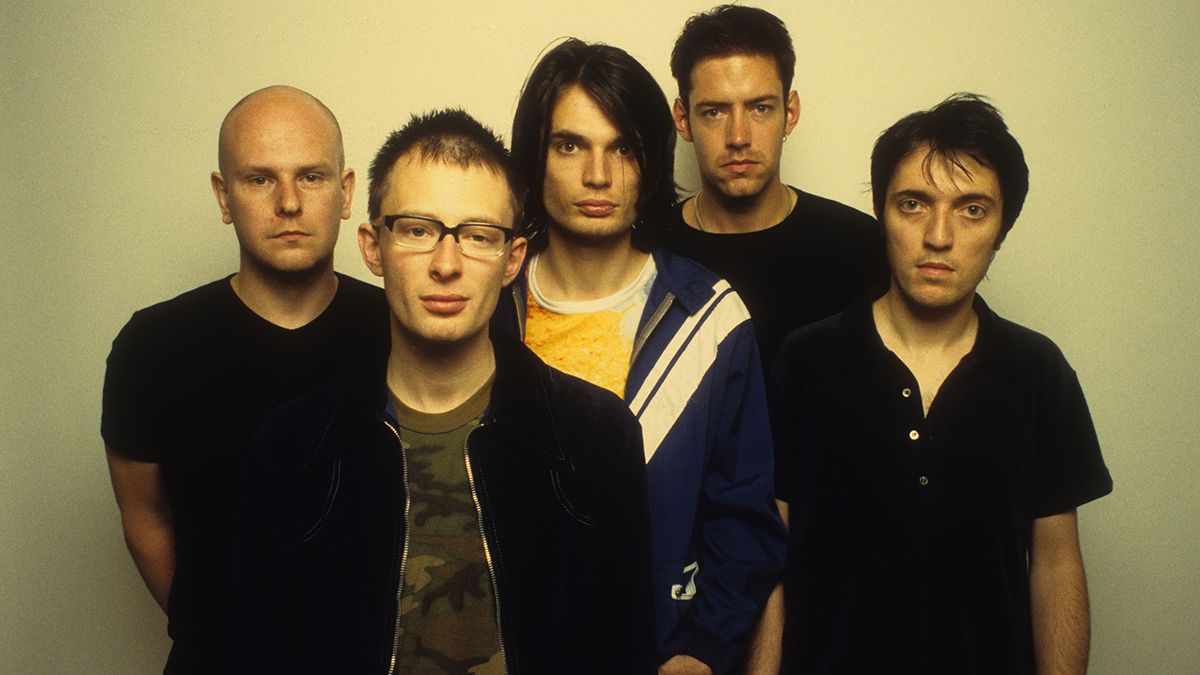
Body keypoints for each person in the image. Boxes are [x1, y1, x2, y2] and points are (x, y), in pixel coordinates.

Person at [230, 109, 655, 673]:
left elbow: (623, 651)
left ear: (513, 259)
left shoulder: (598, 436)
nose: (447, 264)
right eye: (418, 231)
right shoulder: (290, 445)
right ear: (373, 247)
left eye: (479, 236)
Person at [771, 94, 1113, 674]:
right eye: (913, 204)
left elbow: (1055, 565)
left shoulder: (1037, 372)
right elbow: (768, 558)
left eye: (972, 209)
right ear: (881, 212)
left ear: (1002, 227)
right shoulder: (807, 361)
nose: (938, 235)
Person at [500, 39, 786, 675]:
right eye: (569, 145)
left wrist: (702, 648)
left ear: (651, 161)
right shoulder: (489, 308)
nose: (597, 176)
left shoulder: (710, 319)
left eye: (622, 147)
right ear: (534, 157)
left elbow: (745, 518)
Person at [100, 85, 389, 672]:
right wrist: (212, 629)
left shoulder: (403, 332)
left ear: (346, 192)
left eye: (311, 176)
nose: (288, 202)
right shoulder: (153, 345)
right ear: (223, 195)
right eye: (260, 179)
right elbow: (144, 516)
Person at [666, 4, 888, 370]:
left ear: (791, 112)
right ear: (682, 119)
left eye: (760, 108)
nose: (739, 137)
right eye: (714, 111)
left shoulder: (861, 248)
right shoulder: (648, 250)